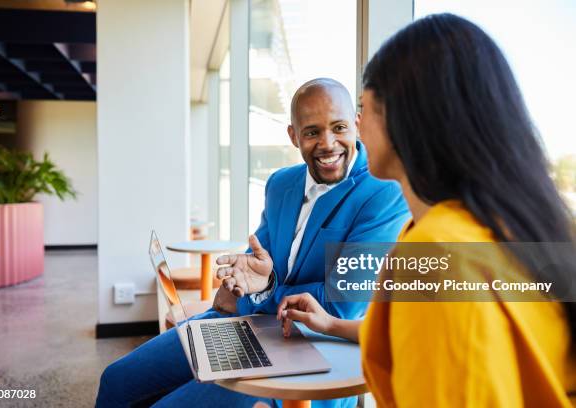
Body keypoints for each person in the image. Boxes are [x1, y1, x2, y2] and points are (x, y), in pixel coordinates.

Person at [275, 13, 576, 407]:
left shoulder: (437, 255)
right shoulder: (490, 228)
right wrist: (332, 325)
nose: (356, 132)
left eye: (364, 111)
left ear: (406, 120)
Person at [95, 78, 410, 408]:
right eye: (312, 132)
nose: (328, 143)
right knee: (115, 381)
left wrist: (255, 297)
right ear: (294, 136)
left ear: (356, 124)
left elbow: (341, 305)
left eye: (339, 127)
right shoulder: (281, 184)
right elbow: (258, 267)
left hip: (313, 352)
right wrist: (253, 287)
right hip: (242, 326)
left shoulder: (383, 191)